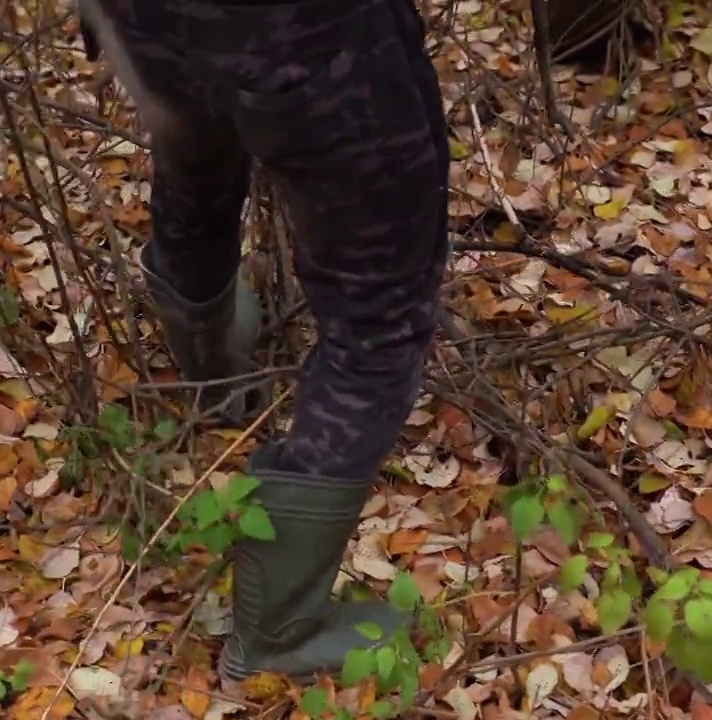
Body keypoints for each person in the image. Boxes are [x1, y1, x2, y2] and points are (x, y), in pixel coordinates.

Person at [77, 0, 449, 682]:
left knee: (197, 154)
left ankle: (215, 377)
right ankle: (278, 630)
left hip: (143, 18)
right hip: (313, 37)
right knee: (379, 317)